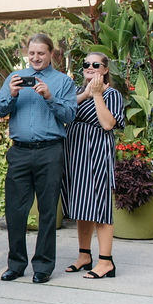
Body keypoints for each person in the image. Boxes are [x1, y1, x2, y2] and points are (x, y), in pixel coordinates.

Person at [0, 33, 77, 284]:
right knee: (15, 211)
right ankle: (16, 264)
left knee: (48, 210)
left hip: (50, 151)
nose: (36, 58)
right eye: (32, 53)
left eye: (41, 53)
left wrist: (50, 97)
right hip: (19, 151)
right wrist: (11, 94)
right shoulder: (14, 78)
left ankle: (43, 266)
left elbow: (70, 115)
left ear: (52, 54)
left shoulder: (62, 82)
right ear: (26, 54)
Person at [61, 52, 124, 279]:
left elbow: (108, 124)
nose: (90, 67)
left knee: (100, 205)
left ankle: (106, 261)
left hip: (97, 153)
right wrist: (87, 94)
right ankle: (84, 255)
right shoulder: (77, 92)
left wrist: (96, 95)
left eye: (96, 64)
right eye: (86, 64)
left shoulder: (112, 94)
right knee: (82, 205)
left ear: (105, 69)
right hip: (75, 155)